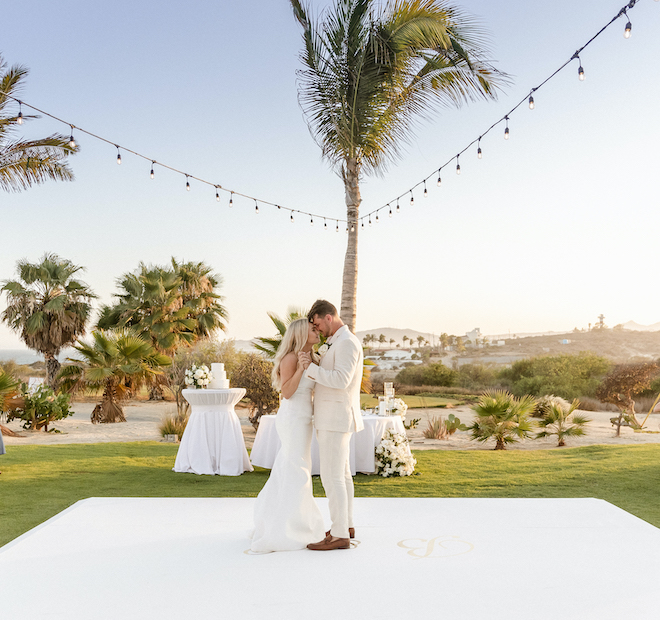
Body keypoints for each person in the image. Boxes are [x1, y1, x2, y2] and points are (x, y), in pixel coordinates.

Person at [250, 318, 325, 552]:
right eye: (313, 330)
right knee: (296, 468)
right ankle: (286, 529)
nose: (317, 332)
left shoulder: (314, 357)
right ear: (301, 334)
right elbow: (287, 392)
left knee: (294, 467)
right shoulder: (291, 358)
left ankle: (293, 522)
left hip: (305, 419)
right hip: (292, 418)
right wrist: (302, 369)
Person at [300, 299, 364, 551]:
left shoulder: (347, 343)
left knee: (331, 476)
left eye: (317, 324)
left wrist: (311, 370)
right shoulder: (338, 342)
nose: (318, 330)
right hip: (334, 417)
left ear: (328, 317)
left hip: (336, 417)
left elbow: (341, 380)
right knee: (343, 475)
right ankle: (345, 525)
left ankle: (339, 535)